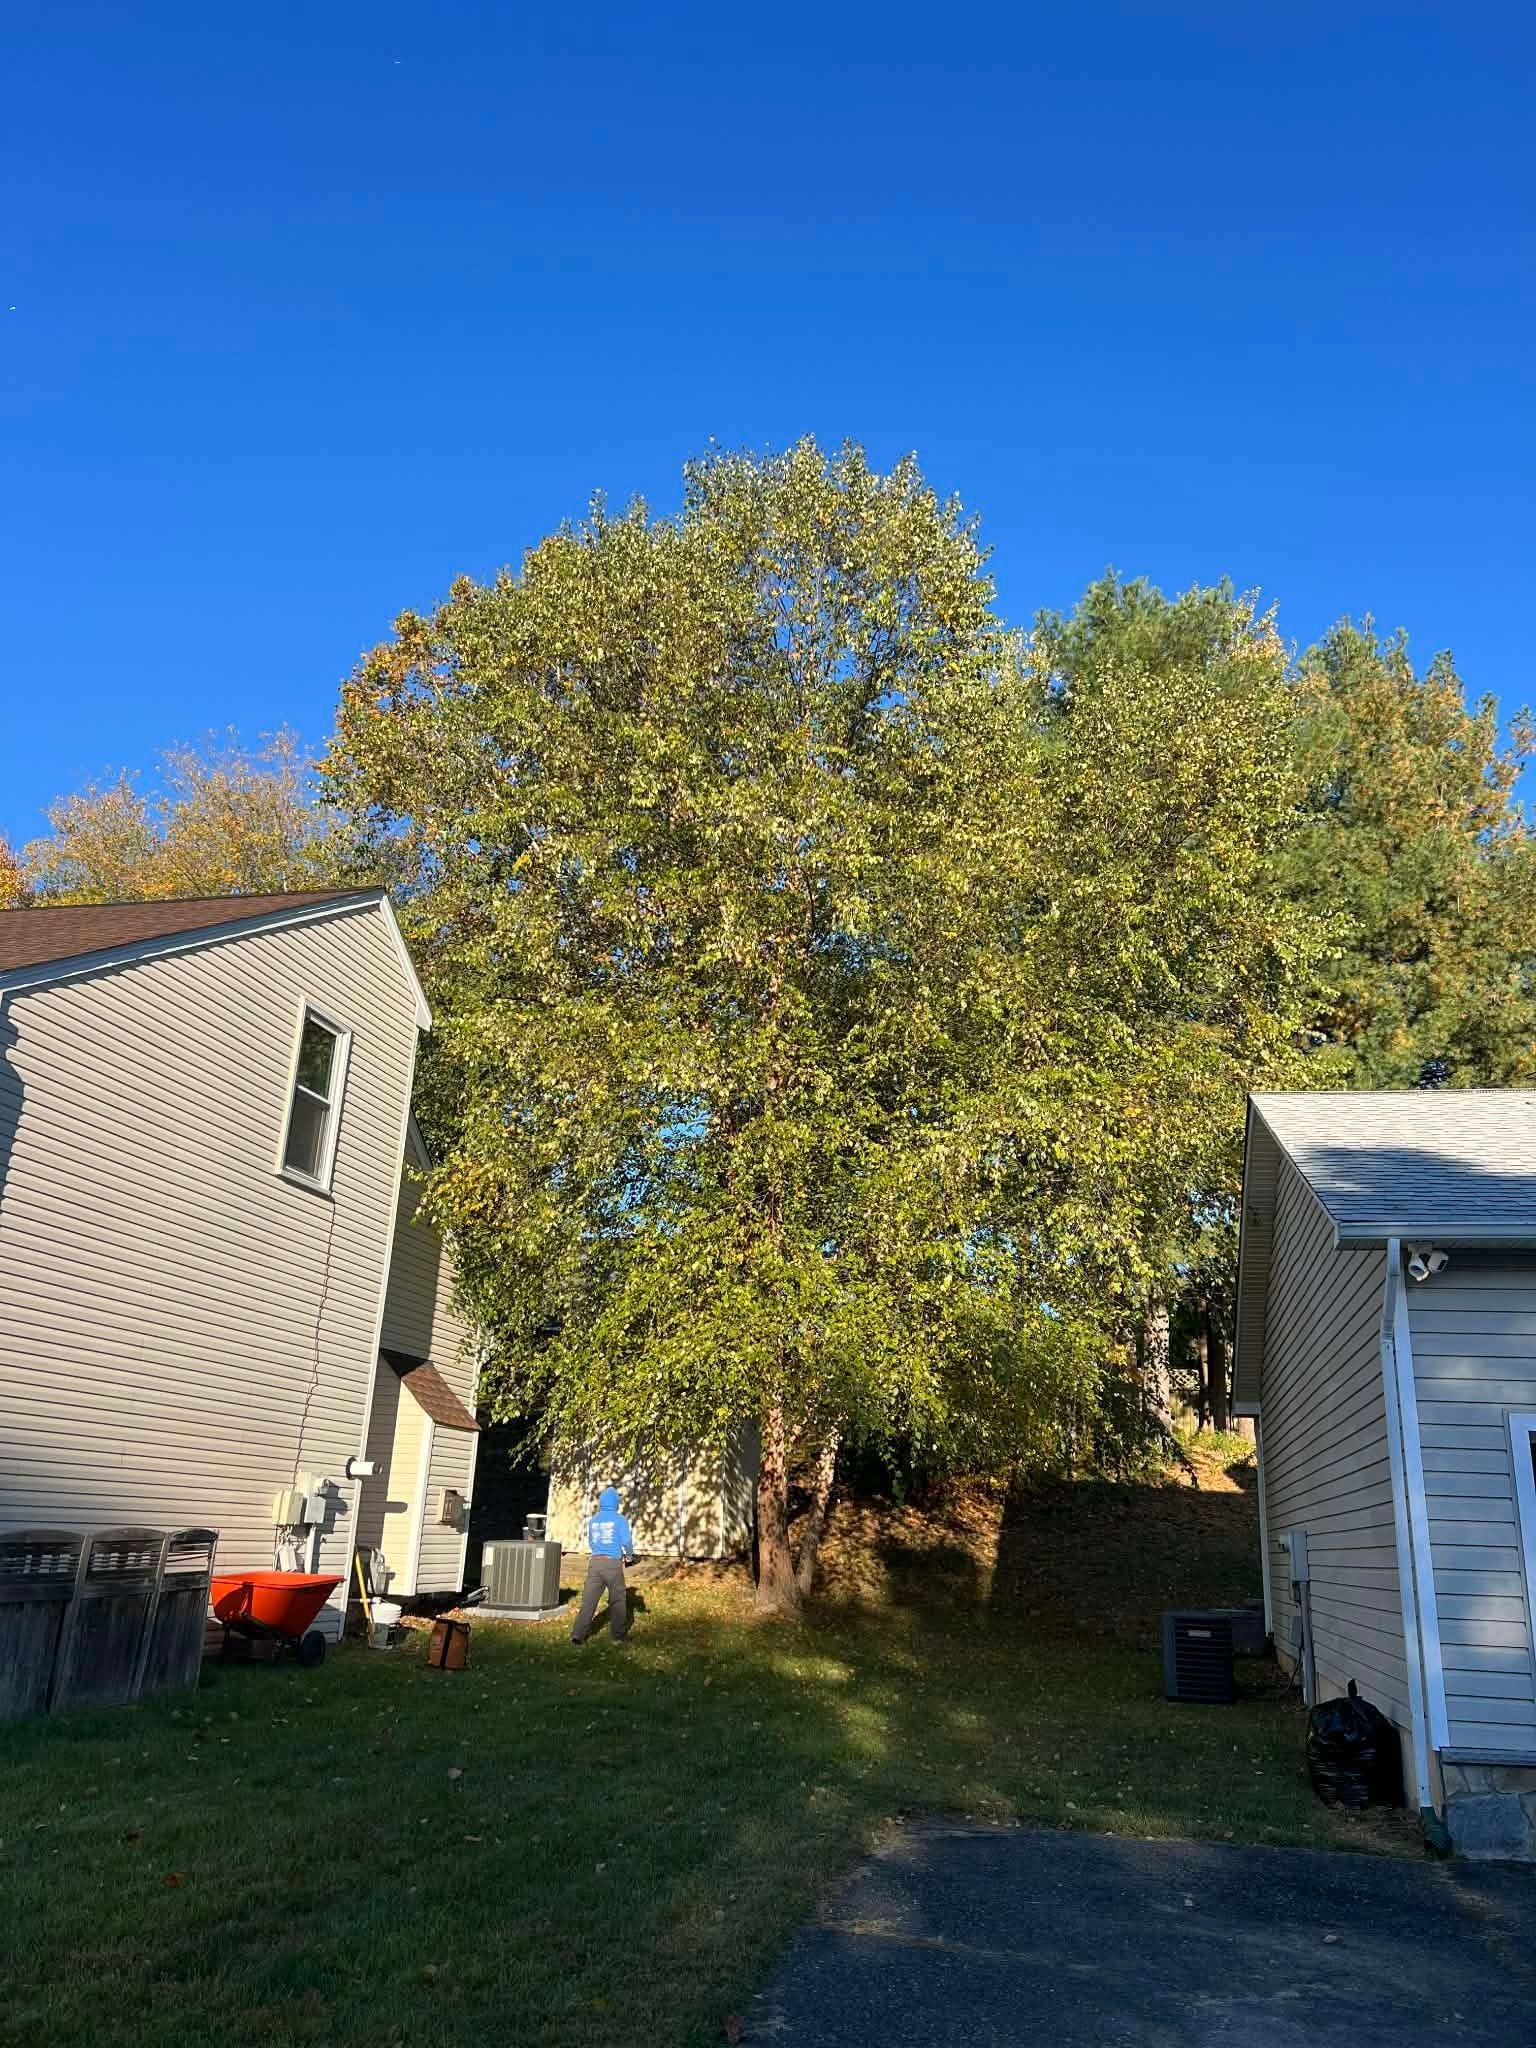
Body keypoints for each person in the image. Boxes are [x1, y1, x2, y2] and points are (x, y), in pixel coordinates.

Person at [570, 1486, 636, 1643]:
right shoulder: (620, 1519)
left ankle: (577, 1635)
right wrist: (629, 1556)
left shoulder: (593, 1520)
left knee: (589, 1600)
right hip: (612, 1564)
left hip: (595, 1563)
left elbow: (592, 1542)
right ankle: (618, 1636)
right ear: (615, 1503)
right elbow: (626, 1541)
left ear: (601, 1502)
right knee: (617, 1600)